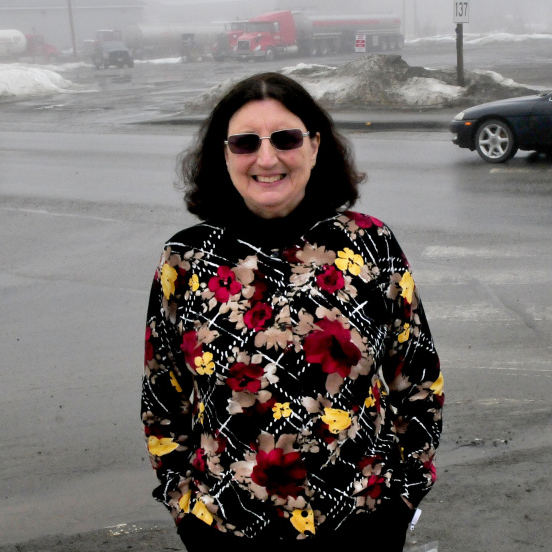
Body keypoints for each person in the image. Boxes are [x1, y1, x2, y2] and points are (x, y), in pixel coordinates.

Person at [141, 72, 443, 551]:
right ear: (224, 154)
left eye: (285, 139)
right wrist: (186, 509)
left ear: (315, 145)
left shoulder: (370, 246)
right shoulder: (187, 259)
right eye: (244, 143)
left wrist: (402, 500)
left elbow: (419, 379)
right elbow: (163, 396)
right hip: (226, 531)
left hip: (360, 524)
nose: (266, 158)